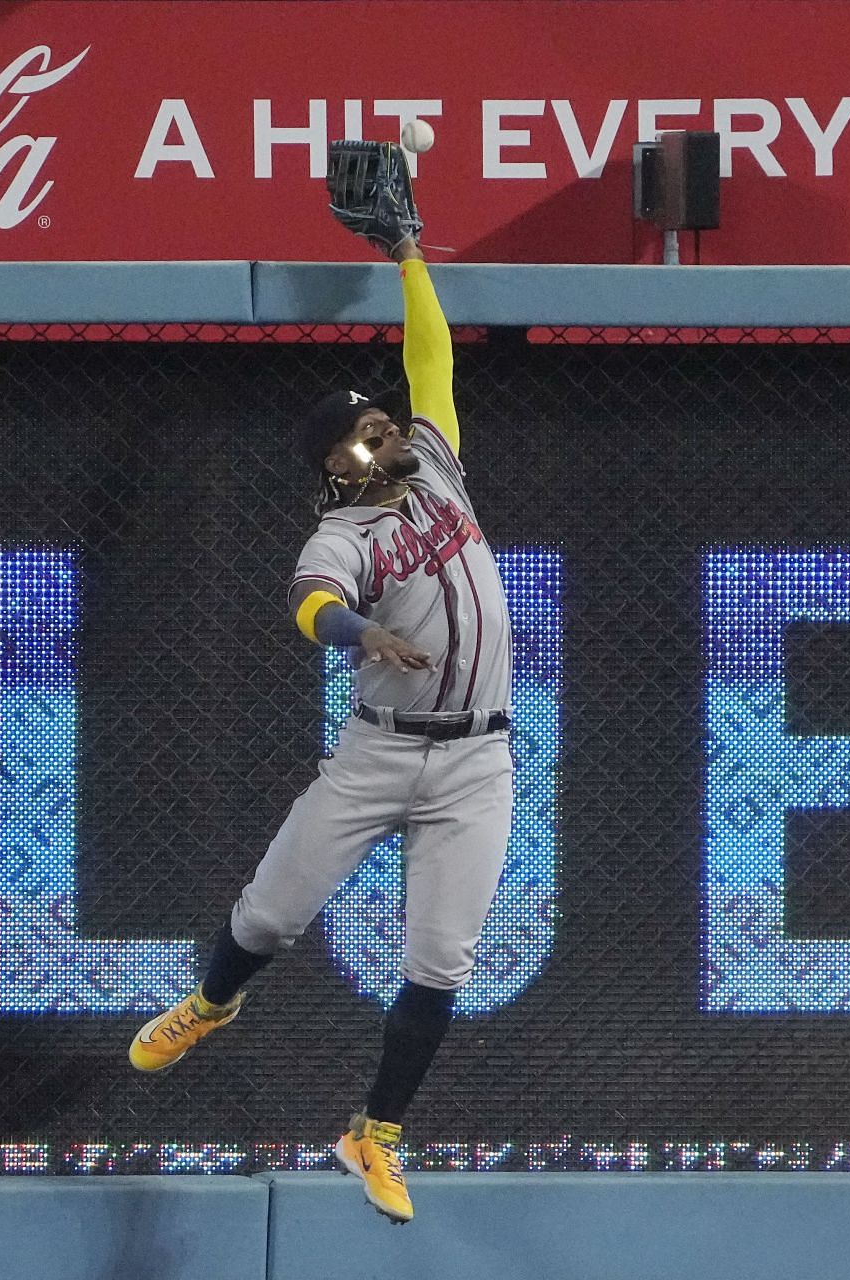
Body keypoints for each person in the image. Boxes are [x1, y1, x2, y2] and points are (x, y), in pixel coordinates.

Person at [127, 232, 513, 1226]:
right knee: (267, 913)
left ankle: (373, 1133)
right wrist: (356, 628)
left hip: (478, 758)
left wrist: (413, 259)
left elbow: (435, 358)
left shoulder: (435, 463)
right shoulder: (343, 532)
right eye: (364, 436)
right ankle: (211, 1003)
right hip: (380, 752)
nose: (385, 437)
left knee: (441, 961)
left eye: (382, 423)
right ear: (336, 465)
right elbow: (311, 604)